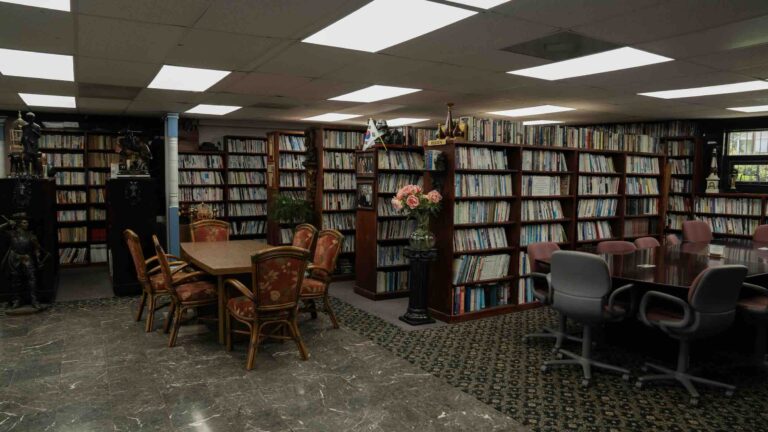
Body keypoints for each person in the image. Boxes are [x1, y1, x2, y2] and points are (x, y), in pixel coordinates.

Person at [0, 213, 48, 309]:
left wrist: (38, 260)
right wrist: (7, 224)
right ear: (19, 224)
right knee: (15, 280)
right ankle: (17, 300)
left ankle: (34, 300)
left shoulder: (31, 235)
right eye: (24, 222)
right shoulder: (12, 233)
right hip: (15, 257)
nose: (27, 224)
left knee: (32, 278)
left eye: (27, 222)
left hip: (27, 258)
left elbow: (36, 249)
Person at [20, 112, 42, 176]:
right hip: (27, 145)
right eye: (28, 118)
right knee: (26, 158)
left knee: (35, 160)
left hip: (34, 146)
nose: (30, 119)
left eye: (31, 118)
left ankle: (35, 172)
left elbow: (39, 136)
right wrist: (21, 142)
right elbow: (23, 135)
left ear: (33, 118)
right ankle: (26, 171)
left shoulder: (37, 126)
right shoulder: (24, 126)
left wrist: (34, 131)